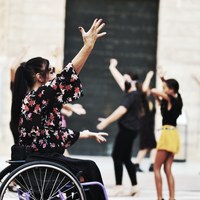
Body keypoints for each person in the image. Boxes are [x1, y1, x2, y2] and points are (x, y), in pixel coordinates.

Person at [10, 18, 107, 200]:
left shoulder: (35, 99)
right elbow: (67, 76)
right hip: (44, 160)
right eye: (51, 70)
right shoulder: (36, 96)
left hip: (42, 157)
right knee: (90, 168)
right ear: (39, 76)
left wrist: (85, 134)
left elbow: (52, 134)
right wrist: (88, 46)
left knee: (87, 168)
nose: (54, 73)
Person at [97, 58, 141, 196]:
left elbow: (121, 110)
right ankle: (135, 186)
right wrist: (112, 67)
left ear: (133, 82)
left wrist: (106, 122)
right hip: (130, 129)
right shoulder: (131, 92)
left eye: (127, 79)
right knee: (126, 158)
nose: (124, 81)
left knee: (116, 155)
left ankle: (118, 186)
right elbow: (120, 80)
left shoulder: (132, 95)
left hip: (128, 130)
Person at [151, 75, 183, 200]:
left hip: (167, 135)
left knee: (156, 167)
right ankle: (172, 197)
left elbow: (154, 91)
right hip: (173, 134)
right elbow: (159, 98)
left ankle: (160, 198)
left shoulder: (171, 99)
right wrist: (163, 81)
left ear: (172, 89)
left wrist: (162, 84)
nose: (163, 90)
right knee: (167, 169)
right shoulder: (177, 100)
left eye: (166, 88)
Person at [134, 70, 157, 172]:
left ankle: (152, 164)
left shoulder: (149, 100)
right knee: (144, 146)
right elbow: (143, 89)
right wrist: (148, 76)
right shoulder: (142, 99)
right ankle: (136, 164)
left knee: (153, 145)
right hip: (144, 126)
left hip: (149, 126)